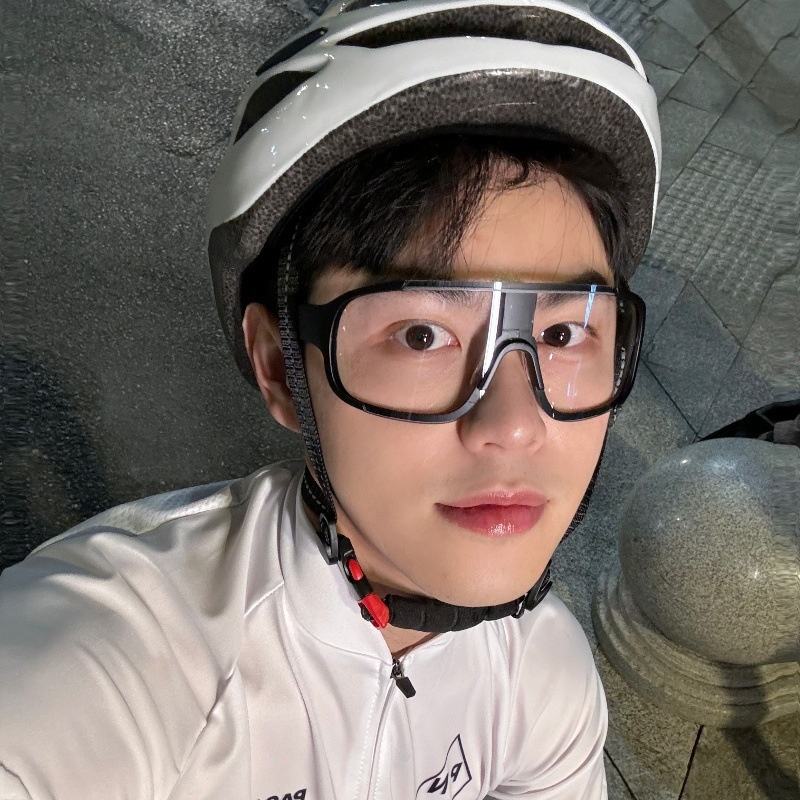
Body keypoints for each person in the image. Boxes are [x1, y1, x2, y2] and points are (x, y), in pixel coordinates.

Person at [0, 1, 660, 798]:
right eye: (422, 334)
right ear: (281, 368)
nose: (515, 425)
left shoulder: (544, 679)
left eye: (561, 334)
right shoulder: (108, 665)